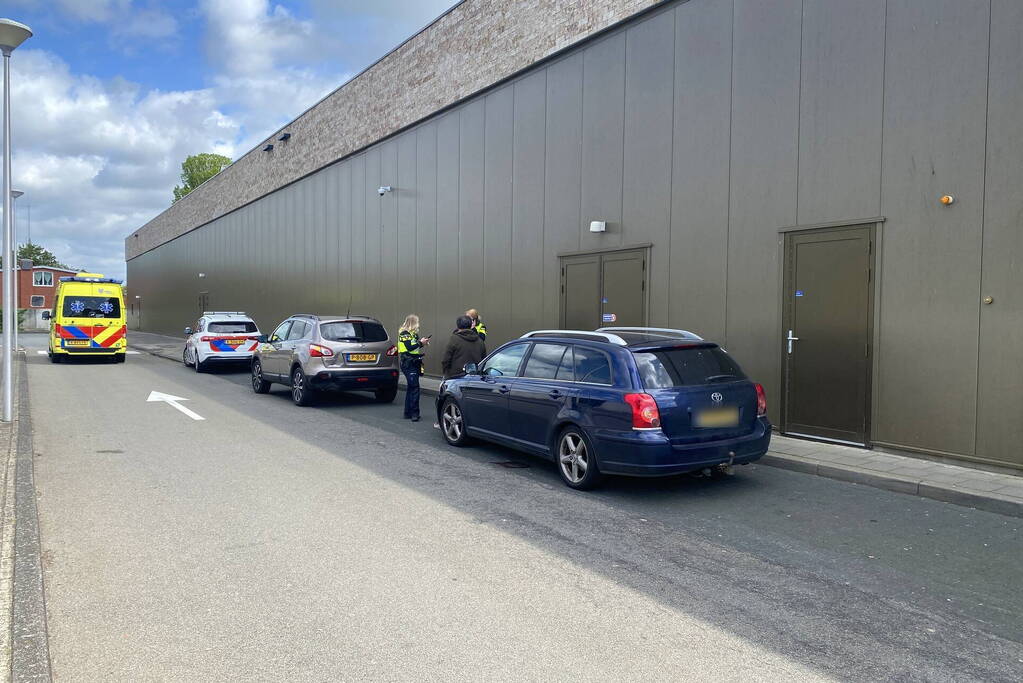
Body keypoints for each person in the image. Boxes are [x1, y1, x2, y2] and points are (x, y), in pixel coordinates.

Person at [397, 314, 430, 421]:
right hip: (408, 362)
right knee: (415, 387)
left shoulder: (414, 334)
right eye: (417, 322)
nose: (419, 324)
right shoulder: (404, 333)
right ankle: (415, 414)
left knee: (411, 388)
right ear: (413, 323)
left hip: (414, 361)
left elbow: (415, 346)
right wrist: (421, 342)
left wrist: (423, 343)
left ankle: (408, 413)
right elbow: (409, 347)